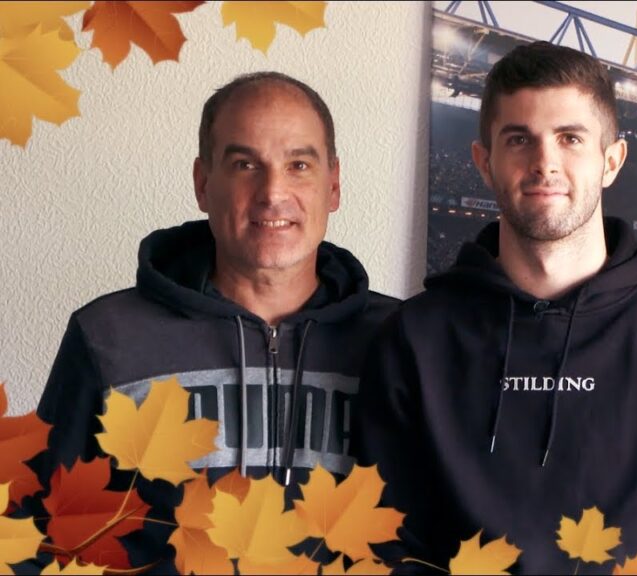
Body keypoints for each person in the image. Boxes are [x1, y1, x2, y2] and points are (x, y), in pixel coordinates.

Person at [354, 41, 637, 574]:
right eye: (519, 139)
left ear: (611, 161)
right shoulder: (413, 339)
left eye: (570, 138)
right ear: (484, 162)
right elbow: (387, 548)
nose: (545, 162)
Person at [33, 72, 398, 566]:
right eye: (245, 164)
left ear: (333, 185)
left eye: (299, 164)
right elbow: (43, 534)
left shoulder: (400, 341)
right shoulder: (109, 337)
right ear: (203, 184)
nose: (273, 191)